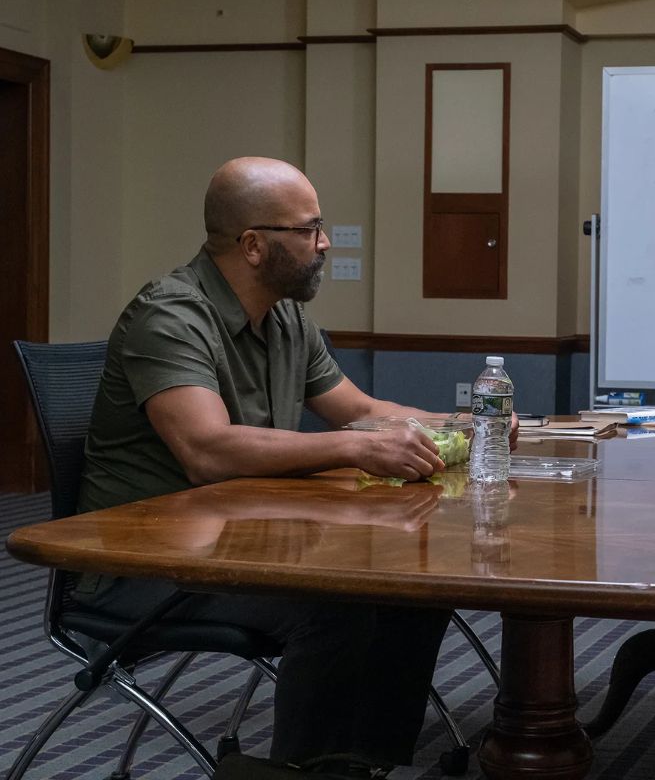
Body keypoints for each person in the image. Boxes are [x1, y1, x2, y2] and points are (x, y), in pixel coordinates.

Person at [74, 156, 518, 770]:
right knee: (336, 595)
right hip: (147, 564)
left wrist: (468, 423)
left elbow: (358, 408)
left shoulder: (284, 316)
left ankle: (366, 763)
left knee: (410, 580)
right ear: (254, 245)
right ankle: (308, 772)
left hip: (238, 539)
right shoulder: (172, 316)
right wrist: (358, 446)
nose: (325, 243)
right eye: (309, 230)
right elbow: (207, 450)